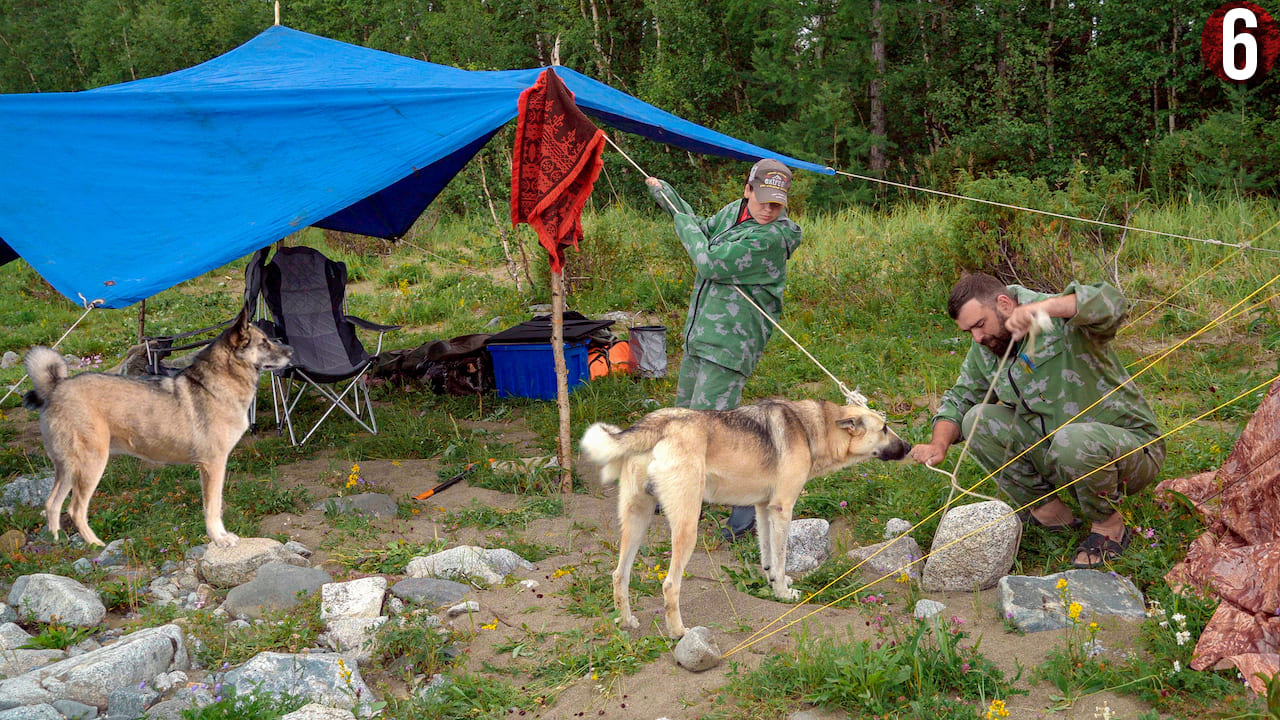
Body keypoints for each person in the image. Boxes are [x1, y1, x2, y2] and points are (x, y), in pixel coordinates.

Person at [908, 272, 1164, 568]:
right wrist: (938, 444)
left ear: (1004, 303)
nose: (977, 338)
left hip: (1131, 453)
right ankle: (1052, 515)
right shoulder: (988, 347)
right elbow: (961, 398)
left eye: (980, 325)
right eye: (969, 332)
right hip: (1063, 457)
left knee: (1072, 441)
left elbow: (1114, 303)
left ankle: (1108, 527)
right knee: (977, 419)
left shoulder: (1057, 315)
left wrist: (1046, 309)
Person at [644, 159, 802, 541]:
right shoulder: (735, 211)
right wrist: (670, 197)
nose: (768, 209)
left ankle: (748, 501)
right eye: (763, 200)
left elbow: (709, 262)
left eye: (777, 204)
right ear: (748, 189)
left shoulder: (770, 240)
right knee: (684, 418)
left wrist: (681, 224)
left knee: (713, 430)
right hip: (701, 336)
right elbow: (703, 227)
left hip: (731, 344)